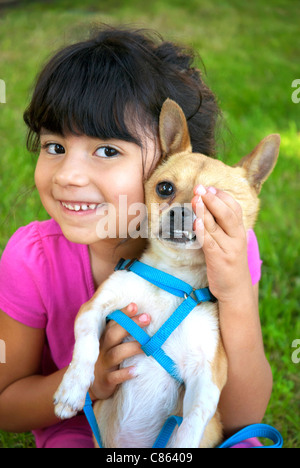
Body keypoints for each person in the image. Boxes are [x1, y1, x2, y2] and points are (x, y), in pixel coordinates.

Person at [0, 26, 272, 448]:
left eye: (107, 150)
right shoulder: (33, 260)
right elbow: (5, 403)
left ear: (172, 156)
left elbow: (242, 417)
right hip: (82, 429)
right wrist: (89, 381)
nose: (68, 176)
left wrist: (235, 290)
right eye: (54, 146)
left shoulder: (226, 250)